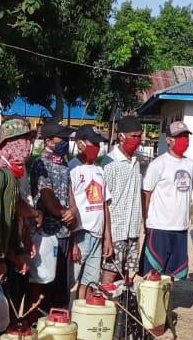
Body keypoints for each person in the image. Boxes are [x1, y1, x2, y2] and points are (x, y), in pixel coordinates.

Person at [0, 118, 33, 310]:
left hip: (9, 254)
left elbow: (11, 217)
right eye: (21, 140)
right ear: (8, 144)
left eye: (28, 140)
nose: (27, 146)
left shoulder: (12, 172)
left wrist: (17, 250)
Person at [141, 120, 193, 281]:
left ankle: (165, 305)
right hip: (159, 228)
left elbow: (188, 194)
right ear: (169, 140)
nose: (183, 140)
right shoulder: (158, 164)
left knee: (174, 277)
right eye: (179, 136)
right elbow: (146, 193)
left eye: (186, 136)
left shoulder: (190, 164)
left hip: (180, 228)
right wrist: (146, 221)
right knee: (153, 275)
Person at [30, 122, 77, 309]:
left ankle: (59, 319)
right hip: (47, 234)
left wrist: (73, 211)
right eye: (62, 139)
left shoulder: (64, 163)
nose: (65, 142)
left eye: (67, 139)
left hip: (64, 232)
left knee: (60, 283)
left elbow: (69, 192)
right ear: (48, 141)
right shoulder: (40, 164)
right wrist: (63, 213)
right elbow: (46, 194)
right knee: (45, 281)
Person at [68, 126, 113, 299]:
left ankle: (83, 318)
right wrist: (72, 242)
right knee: (72, 281)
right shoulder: (72, 169)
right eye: (92, 143)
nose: (96, 146)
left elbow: (104, 205)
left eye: (98, 143)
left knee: (89, 283)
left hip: (97, 235)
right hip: (80, 234)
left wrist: (107, 236)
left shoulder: (99, 170)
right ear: (80, 144)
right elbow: (69, 205)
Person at [100, 115, 144, 284]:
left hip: (132, 230)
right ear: (121, 136)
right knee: (110, 274)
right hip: (116, 231)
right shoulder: (110, 163)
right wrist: (107, 237)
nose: (137, 140)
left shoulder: (135, 162)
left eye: (139, 136)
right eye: (134, 136)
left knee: (126, 277)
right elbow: (105, 202)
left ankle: (120, 309)